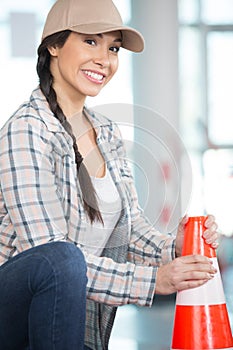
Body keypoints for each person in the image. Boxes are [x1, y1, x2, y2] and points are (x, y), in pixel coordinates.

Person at [0, 0, 219, 349]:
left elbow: (131, 230)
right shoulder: (27, 130)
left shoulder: (106, 131)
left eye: (113, 47)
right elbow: (49, 257)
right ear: (54, 46)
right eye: (91, 41)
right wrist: (153, 282)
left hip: (70, 318)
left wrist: (174, 247)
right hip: (14, 315)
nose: (105, 59)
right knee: (63, 257)